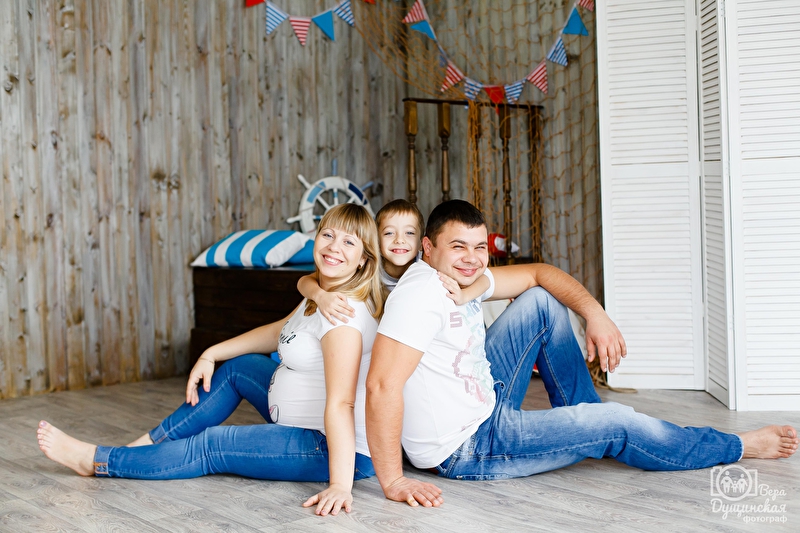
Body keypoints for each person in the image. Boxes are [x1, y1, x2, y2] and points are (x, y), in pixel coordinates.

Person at [365, 199, 799, 508]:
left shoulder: (458, 278)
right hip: (469, 446)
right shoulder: (421, 296)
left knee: (541, 301)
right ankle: (735, 445)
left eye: (479, 247)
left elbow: (540, 273)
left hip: (482, 400)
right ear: (428, 247)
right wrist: (393, 480)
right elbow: (381, 386)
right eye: (458, 246)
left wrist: (596, 315)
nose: (472, 259)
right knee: (618, 421)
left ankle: (587, 419)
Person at [38, 203, 384, 517]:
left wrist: (340, 485)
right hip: (303, 419)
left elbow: (342, 404)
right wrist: (211, 353)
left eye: (348, 242)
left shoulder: (341, 317)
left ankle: (97, 460)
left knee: (213, 444)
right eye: (328, 235)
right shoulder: (323, 294)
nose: (334, 247)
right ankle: (146, 448)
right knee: (238, 368)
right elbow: (280, 330)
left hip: (330, 448)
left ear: (364, 259)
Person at [298, 198, 489, 324]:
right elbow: (305, 281)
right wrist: (319, 296)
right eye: (389, 233)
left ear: (422, 243)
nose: (399, 240)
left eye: (409, 233)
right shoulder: (370, 266)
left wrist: (465, 295)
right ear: (376, 240)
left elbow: (486, 279)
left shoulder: (427, 267)